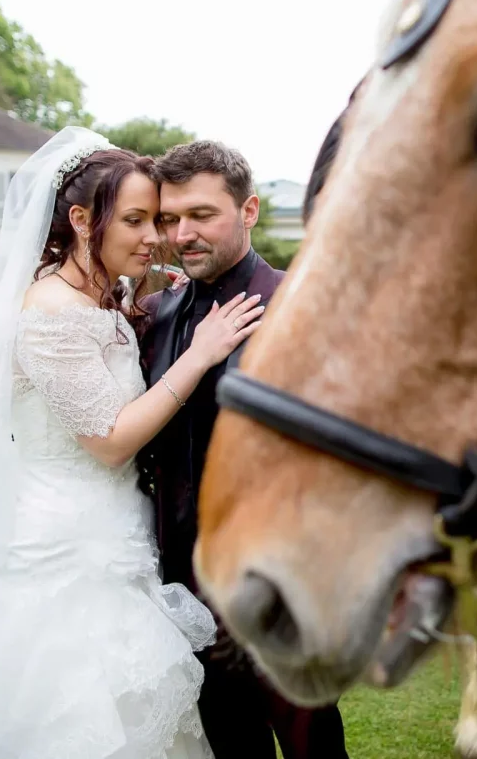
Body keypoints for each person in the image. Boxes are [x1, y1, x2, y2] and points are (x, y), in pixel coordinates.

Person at [0, 127, 263, 759]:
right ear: (79, 218)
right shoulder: (48, 315)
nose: (155, 239)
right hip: (65, 550)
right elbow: (110, 441)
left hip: (123, 532)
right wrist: (200, 354)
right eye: (136, 220)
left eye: (157, 220)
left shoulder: (110, 298)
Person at [137, 140, 349, 759]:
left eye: (201, 215)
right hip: (185, 594)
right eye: (170, 218)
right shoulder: (153, 314)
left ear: (249, 210)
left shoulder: (306, 303)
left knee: (313, 745)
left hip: (285, 587)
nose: (182, 234)